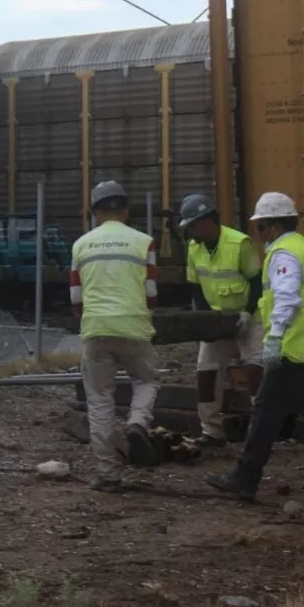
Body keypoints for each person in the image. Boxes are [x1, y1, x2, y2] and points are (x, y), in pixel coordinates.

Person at [206, 192, 304, 501]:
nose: (259, 235)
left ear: (275, 227)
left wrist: (275, 338)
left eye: (261, 228)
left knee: (265, 414)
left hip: (292, 351)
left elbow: (288, 298)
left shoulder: (284, 253)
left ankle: (245, 477)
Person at [71, 181, 161, 492]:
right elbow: (151, 295)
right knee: (147, 379)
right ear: (124, 209)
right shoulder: (144, 242)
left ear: (95, 212)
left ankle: (108, 474)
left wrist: (93, 319)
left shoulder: (80, 245)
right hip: (134, 327)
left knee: (99, 399)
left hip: (95, 328)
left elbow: (75, 299)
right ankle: (137, 423)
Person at [180, 194, 264, 447]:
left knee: (256, 370)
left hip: (247, 318)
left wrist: (248, 312)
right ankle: (211, 430)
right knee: (206, 372)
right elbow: (195, 285)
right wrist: (207, 319)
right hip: (218, 318)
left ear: (208, 222)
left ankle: (261, 431)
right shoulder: (194, 248)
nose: (190, 231)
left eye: (193, 225)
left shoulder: (239, 244)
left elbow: (256, 282)